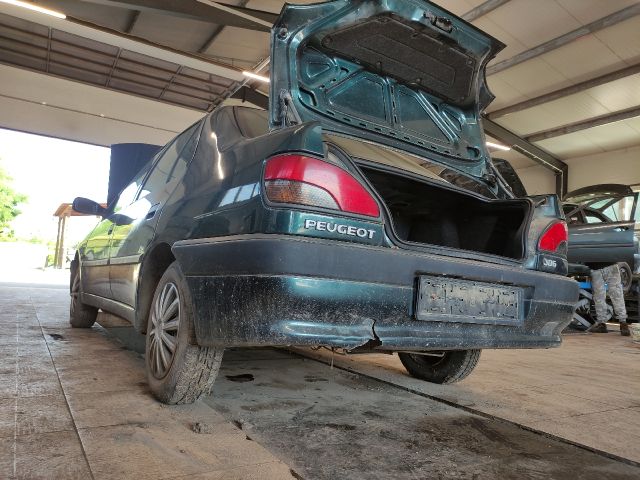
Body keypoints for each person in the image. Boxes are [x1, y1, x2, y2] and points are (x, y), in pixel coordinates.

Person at [587, 263, 630, 336]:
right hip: (605, 266)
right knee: (614, 295)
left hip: (600, 267)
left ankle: (603, 324)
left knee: (602, 296)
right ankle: (622, 323)